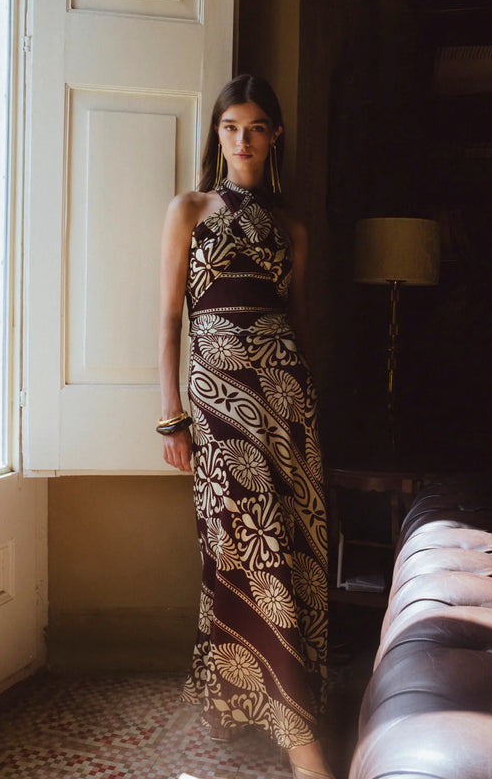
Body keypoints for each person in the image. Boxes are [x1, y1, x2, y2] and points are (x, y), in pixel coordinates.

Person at [158, 74, 333, 779]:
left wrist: (308, 411)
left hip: (288, 403)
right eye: (231, 126)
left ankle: (251, 700)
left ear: (274, 136)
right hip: (216, 406)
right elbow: (169, 322)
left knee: (292, 549)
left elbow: (298, 325)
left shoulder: (292, 227)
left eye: (257, 127)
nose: (243, 140)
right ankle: (299, 740)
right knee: (242, 548)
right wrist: (170, 417)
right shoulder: (189, 209)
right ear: (217, 134)